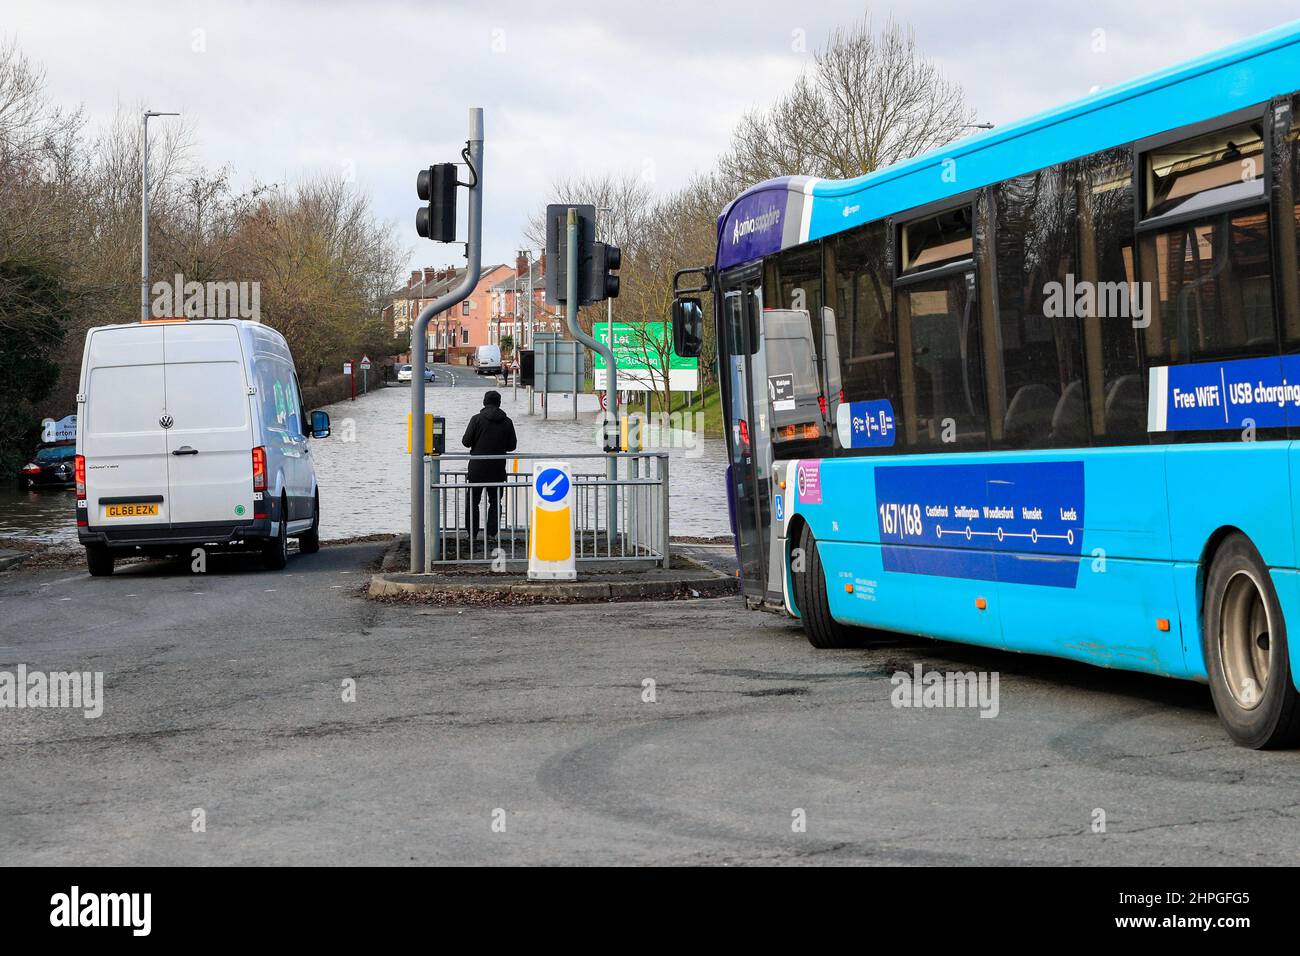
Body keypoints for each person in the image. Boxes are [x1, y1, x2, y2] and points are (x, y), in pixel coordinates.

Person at [462, 390, 517, 547]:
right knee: (495, 502)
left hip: (477, 469)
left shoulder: (476, 419)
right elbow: (512, 446)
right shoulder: (507, 422)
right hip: (498, 469)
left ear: (484, 402)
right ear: (499, 403)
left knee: (473, 502)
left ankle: (472, 535)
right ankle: (491, 534)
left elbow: (466, 442)